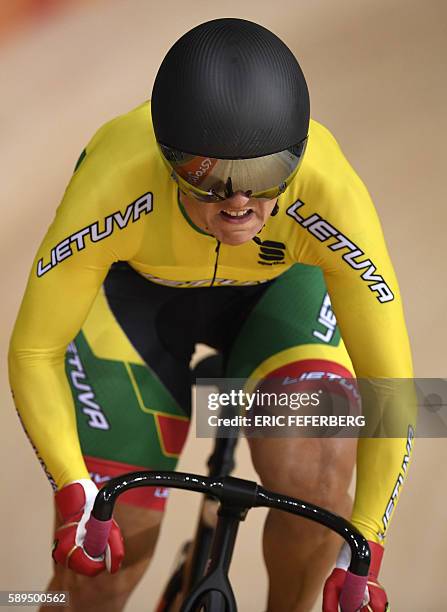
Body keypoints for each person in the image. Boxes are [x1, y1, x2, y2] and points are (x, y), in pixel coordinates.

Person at [8, 17, 414, 612]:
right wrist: (75, 493)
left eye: (264, 174)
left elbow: (394, 390)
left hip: (275, 294)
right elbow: (33, 351)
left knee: (321, 476)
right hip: (132, 303)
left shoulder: (332, 193)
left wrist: (368, 549)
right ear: (168, 158)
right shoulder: (115, 182)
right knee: (96, 576)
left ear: (296, 159)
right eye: (210, 178)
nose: (240, 201)